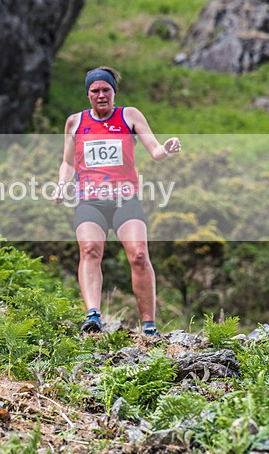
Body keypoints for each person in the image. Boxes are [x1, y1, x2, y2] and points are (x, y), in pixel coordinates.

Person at [54, 66, 181, 336]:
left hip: (125, 199)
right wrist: (62, 185)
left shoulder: (129, 115)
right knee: (90, 250)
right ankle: (93, 316)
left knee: (139, 255)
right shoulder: (75, 122)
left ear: (114, 92)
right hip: (89, 201)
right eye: (95, 91)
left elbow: (155, 151)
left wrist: (167, 150)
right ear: (88, 94)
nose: (101, 95)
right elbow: (67, 162)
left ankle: (149, 325)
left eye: (106, 90)